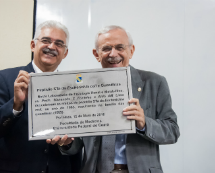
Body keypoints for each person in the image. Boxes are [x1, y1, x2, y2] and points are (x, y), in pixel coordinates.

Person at [51, 25, 180, 173]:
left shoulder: (155, 82)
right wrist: (67, 142)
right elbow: (77, 143)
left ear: (131, 51)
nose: (113, 54)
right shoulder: (83, 87)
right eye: (106, 49)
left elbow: (172, 132)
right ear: (96, 54)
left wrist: (144, 123)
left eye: (120, 47)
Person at [0, 20, 81, 173]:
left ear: (65, 53)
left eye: (59, 44)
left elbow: (79, 143)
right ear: (33, 45)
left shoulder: (74, 87)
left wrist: (67, 143)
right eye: (46, 40)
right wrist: (15, 105)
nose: (51, 47)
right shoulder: (4, 78)